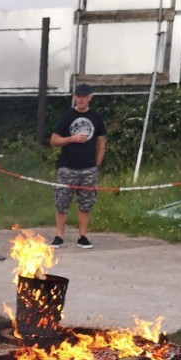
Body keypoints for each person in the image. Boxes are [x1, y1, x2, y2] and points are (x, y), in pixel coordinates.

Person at [50, 82, 106, 249]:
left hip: (88, 168)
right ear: (74, 97)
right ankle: (59, 236)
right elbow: (53, 141)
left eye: (84, 97)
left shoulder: (96, 118)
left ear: (90, 98)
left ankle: (82, 236)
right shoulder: (67, 116)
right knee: (62, 203)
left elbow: (101, 143)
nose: (81, 100)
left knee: (86, 203)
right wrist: (71, 139)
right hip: (67, 167)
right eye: (78, 96)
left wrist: (97, 165)